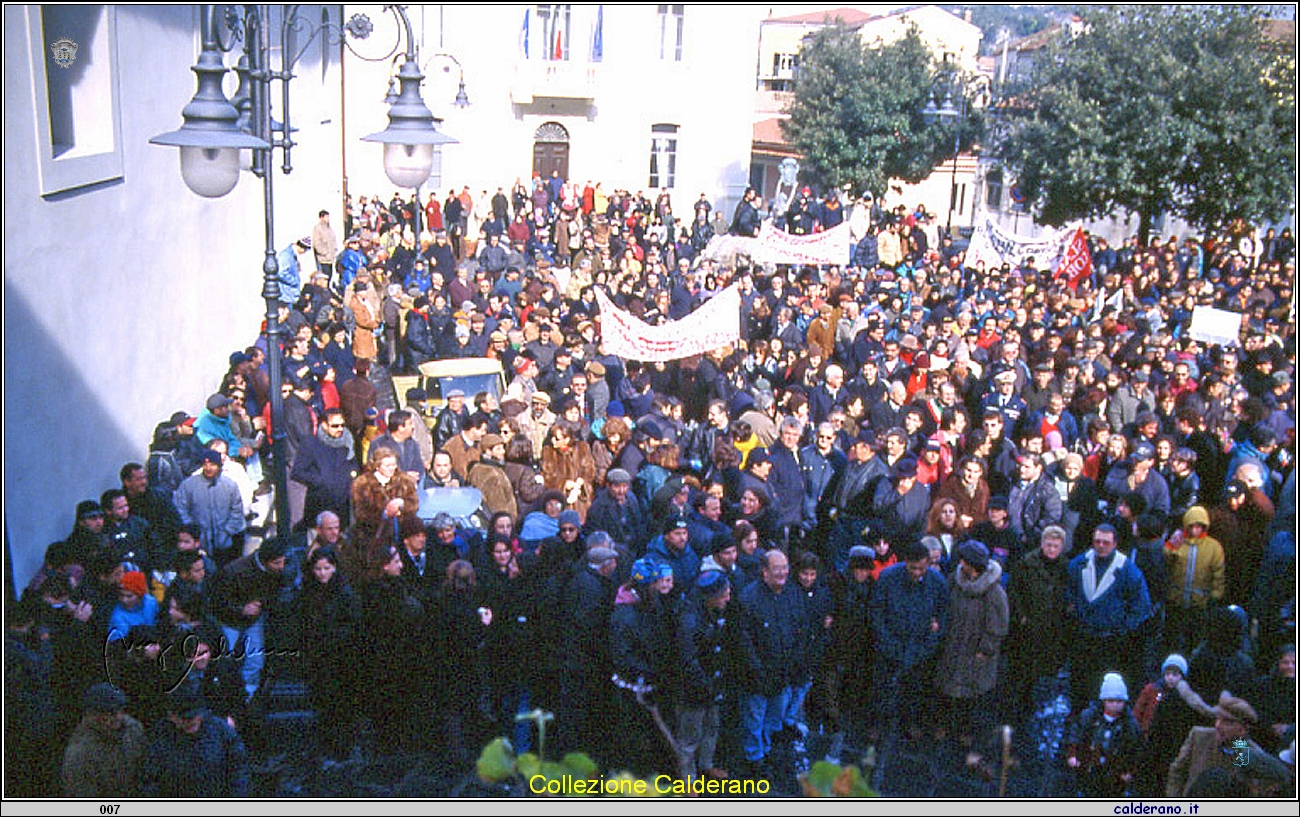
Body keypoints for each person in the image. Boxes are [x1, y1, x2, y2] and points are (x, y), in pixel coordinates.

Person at [935, 540, 1008, 768]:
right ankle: (947, 727)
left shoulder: (994, 592)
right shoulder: (955, 581)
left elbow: (998, 626)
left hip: (975, 652)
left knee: (973, 698)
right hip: (953, 646)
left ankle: (969, 735)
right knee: (948, 691)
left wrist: (985, 650)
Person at [1067, 524, 1153, 714]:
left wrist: (1124, 628)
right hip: (1083, 636)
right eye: (1097, 541)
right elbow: (1068, 591)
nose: (1101, 546)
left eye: (1106, 542)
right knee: (1079, 682)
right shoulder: (1079, 563)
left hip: (1110, 641)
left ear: (1115, 543)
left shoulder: (1127, 570)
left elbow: (1141, 606)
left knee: (1104, 682)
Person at [736, 549, 807, 778]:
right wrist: (757, 671)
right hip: (757, 676)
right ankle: (754, 758)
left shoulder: (792, 593)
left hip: (782, 673)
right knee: (754, 719)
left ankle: (766, 751)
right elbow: (743, 641)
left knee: (773, 718)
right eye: (777, 568)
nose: (783, 573)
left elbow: (799, 629)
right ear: (764, 571)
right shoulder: (748, 598)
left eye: (785, 567)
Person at [870, 539, 947, 738]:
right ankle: (879, 724)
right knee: (883, 688)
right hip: (891, 644)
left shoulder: (937, 582)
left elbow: (943, 616)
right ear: (905, 563)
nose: (917, 573)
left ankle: (911, 723)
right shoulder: (888, 578)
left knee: (916, 691)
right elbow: (877, 614)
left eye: (921, 568)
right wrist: (888, 643)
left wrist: (928, 645)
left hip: (920, 648)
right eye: (913, 568)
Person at [209, 537, 290, 702]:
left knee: (255, 661)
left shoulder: (277, 573)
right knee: (225, 660)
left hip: (253, 619)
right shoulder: (234, 570)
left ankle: (248, 697)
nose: (281, 567)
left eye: (282, 562)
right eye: (277, 563)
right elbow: (218, 601)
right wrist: (241, 609)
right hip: (230, 621)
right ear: (265, 561)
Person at [1166, 693, 1290, 797]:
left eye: (1227, 722)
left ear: (1243, 729)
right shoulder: (1199, 736)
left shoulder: (1250, 754)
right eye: (1217, 719)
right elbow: (1177, 772)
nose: (1218, 725)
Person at [676, 570, 735, 781]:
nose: (728, 598)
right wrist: (706, 685)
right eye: (724, 595)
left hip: (713, 680)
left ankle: (706, 765)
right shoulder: (690, 620)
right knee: (689, 737)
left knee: (712, 727)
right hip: (695, 689)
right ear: (710, 597)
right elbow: (688, 661)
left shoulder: (714, 611)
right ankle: (687, 779)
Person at [138, 689, 249, 798]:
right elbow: (149, 779)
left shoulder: (221, 731)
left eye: (193, 716)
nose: (190, 722)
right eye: (184, 718)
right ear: (172, 716)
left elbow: (239, 769)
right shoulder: (161, 736)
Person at [1065, 672, 1143, 797]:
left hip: (1116, 775)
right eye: (1111, 701)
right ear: (1103, 700)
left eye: (1119, 701)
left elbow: (1136, 749)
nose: (1115, 704)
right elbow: (1076, 734)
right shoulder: (1089, 716)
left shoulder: (1129, 724)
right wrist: (1072, 755)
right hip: (1089, 770)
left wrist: (1130, 771)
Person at [61, 683, 145, 797]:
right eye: (111, 713)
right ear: (93, 715)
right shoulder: (79, 753)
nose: (118, 717)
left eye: (120, 711)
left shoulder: (133, 731)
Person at [173, 449, 246, 566]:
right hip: (200, 542)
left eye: (212, 464)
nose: (208, 468)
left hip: (225, 540)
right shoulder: (188, 485)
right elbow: (180, 508)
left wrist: (227, 531)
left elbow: (237, 511)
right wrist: (192, 531)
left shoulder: (230, 485)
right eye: (205, 464)